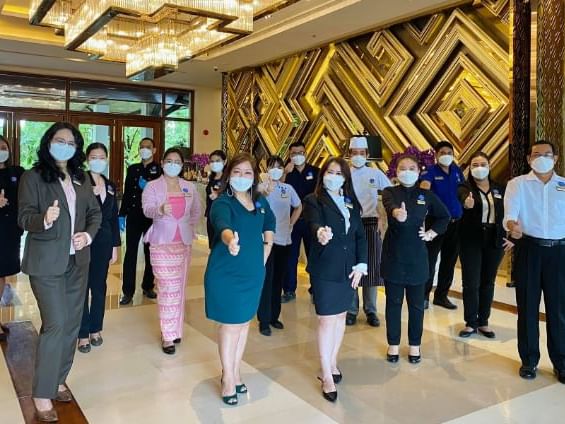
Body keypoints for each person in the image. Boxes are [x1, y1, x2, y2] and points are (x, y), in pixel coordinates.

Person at [17, 122, 101, 422]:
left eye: (71, 141)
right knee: (55, 324)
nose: (64, 145)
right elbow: (24, 217)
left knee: (71, 324)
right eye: (59, 140)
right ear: (48, 142)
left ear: (76, 148)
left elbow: (94, 213)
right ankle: (41, 392)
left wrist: (88, 236)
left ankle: (58, 379)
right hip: (46, 264)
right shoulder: (33, 177)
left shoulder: (79, 178)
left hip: (77, 262)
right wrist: (45, 219)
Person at [204, 153, 275, 405]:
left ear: (254, 176)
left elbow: (270, 222)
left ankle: (235, 371)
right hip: (226, 272)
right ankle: (227, 377)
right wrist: (229, 239)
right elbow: (221, 223)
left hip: (253, 272)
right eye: (236, 172)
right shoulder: (223, 202)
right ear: (228, 175)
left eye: (247, 172)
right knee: (230, 326)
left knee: (244, 324)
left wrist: (266, 249)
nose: (242, 177)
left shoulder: (260, 201)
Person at [303, 157, 367, 402]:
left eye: (338, 173)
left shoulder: (351, 202)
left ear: (345, 178)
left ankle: (332, 362)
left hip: (349, 269)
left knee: (340, 317)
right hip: (325, 268)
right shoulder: (314, 200)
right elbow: (314, 223)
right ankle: (325, 374)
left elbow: (360, 234)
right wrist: (320, 233)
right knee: (326, 320)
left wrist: (361, 264)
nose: (333, 176)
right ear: (323, 175)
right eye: (329, 172)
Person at [504, 140, 565, 383]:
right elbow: (511, 213)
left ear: (556, 158)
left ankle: (561, 362)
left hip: (559, 253)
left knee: (558, 310)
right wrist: (512, 226)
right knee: (527, 308)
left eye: (547, 154)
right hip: (530, 249)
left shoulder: (563, 185)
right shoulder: (517, 184)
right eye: (537, 154)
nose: (542, 158)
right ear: (529, 159)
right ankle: (529, 360)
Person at [381, 155, 450, 364]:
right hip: (393, 255)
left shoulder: (426, 195)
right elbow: (390, 205)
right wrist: (397, 214)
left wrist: (431, 233)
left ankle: (414, 346)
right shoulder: (389, 191)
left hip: (418, 257)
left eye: (412, 168)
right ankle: (393, 345)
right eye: (403, 168)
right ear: (396, 171)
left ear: (419, 171)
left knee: (416, 306)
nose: (407, 171)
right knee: (393, 304)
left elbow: (444, 216)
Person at [143, 147, 202, 355]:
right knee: (167, 288)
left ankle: (175, 330)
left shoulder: (189, 187)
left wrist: (187, 226)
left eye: (177, 162)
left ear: (182, 165)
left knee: (179, 290)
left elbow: (196, 211)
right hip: (160, 244)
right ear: (162, 162)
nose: (173, 164)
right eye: (169, 161)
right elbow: (147, 209)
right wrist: (159, 210)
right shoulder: (152, 186)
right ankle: (167, 335)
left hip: (182, 245)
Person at [457, 152, 513, 339]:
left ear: (489, 166)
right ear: (470, 168)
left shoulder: (500, 188)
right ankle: (471, 322)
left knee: (488, 282)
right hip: (471, 239)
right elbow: (462, 198)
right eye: (475, 164)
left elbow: (510, 212)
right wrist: (467, 203)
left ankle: (484, 322)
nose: (479, 167)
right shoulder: (465, 187)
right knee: (471, 282)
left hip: (494, 239)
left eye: (483, 164)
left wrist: (510, 236)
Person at [77, 143, 120, 354]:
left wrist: (115, 246)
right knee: (82, 287)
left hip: (103, 242)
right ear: (87, 159)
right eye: (94, 156)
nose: (98, 160)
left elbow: (113, 218)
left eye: (102, 157)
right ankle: (82, 332)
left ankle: (96, 328)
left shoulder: (110, 185)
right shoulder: (79, 181)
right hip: (84, 242)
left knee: (99, 287)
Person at [347, 136, 391, 327]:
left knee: (372, 268)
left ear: (367, 155)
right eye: (354, 153)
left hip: (371, 223)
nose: (358, 157)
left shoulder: (376, 174)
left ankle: (371, 310)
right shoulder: (343, 174)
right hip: (349, 224)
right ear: (349, 155)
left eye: (361, 154)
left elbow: (391, 194)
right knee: (351, 266)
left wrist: (383, 214)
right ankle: (351, 310)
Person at [256, 156, 302, 336]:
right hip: (266, 241)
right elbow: (255, 207)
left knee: (278, 281)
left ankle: (274, 316)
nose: (275, 170)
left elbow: (298, 206)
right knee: (266, 281)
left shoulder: (287, 188)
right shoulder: (261, 189)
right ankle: (264, 320)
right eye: (272, 167)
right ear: (267, 169)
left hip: (284, 240)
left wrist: (291, 223)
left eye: (279, 167)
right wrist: (263, 193)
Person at [420, 141, 463, 309]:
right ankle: (424, 296)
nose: (446, 155)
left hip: (456, 223)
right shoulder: (430, 171)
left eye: (449, 152)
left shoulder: (457, 171)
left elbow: (463, 190)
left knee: (449, 261)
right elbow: (424, 189)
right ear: (436, 156)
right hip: (436, 223)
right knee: (430, 260)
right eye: (442, 152)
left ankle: (441, 296)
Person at [119, 137, 162, 305]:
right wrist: (122, 214)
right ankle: (127, 291)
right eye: (142, 147)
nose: (144, 149)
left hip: (151, 217)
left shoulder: (159, 170)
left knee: (150, 252)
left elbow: (162, 194)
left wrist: (149, 187)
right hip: (134, 216)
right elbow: (128, 192)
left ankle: (148, 285)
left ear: (154, 150)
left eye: (148, 147)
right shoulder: (132, 169)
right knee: (130, 253)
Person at [282, 141, 320, 302]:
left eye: (301, 152)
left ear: (306, 153)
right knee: (290, 256)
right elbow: (278, 190)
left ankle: (316, 288)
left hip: (312, 221)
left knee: (315, 255)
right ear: (289, 155)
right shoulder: (286, 172)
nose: (298, 156)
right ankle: (289, 290)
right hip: (291, 221)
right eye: (294, 153)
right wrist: (284, 172)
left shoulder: (315, 171)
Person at [0, 135, 24, 341]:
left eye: (3, 147)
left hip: (10, 232)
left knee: (2, 275)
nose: (1, 150)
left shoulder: (17, 172)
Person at [205, 150, 227, 249]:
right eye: (212, 161)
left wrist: (218, 196)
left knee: (221, 246)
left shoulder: (228, 179)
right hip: (211, 215)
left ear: (225, 161)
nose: (214, 163)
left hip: (222, 217)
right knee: (212, 245)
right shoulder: (211, 178)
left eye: (218, 161)